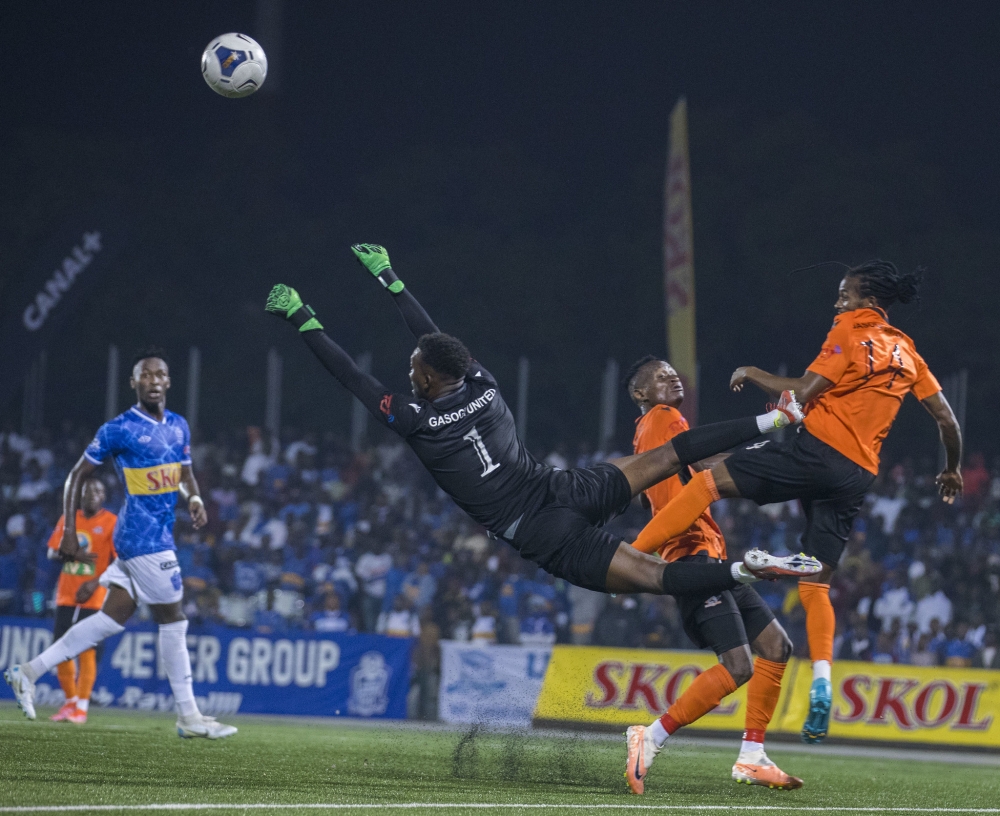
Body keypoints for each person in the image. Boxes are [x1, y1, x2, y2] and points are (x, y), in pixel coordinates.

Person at [265, 244, 821, 602]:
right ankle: (773, 418)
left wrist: (302, 318)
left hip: (541, 532)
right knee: (670, 455)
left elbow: (351, 378)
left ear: (429, 380)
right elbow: (433, 338)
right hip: (563, 486)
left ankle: (746, 572)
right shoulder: (483, 384)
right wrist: (390, 279)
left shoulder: (416, 419)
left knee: (652, 579)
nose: (408, 367)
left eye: (413, 366)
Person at [630, 260, 963, 744]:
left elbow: (804, 392)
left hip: (816, 451)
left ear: (866, 301)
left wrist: (753, 372)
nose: (838, 303)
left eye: (844, 295)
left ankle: (632, 557)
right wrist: (951, 468)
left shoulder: (849, 329)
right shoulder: (908, 350)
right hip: (857, 475)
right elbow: (948, 421)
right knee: (816, 585)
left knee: (707, 484)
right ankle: (820, 684)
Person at [4, 349, 237, 739]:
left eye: (160, 374)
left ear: (168, 381)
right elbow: (76, 476)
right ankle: (189, 716)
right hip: (142, 539)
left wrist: (194, 499)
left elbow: (185, 473)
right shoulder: (120, 428)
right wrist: (67, 530)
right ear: (134, 383)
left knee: (109, 620)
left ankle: (27, 672)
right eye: (145, 375)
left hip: (153, 536)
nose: (154, 380)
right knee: (174, 620)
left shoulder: (179, 425)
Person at [623, 356, 801, 794]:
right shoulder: (664, 417)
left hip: (707, 554)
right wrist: (772, 446)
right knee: (739, 665)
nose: (672, 378)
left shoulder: (654, 429)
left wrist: (760, 455)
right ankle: (652, 736)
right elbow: (702, 463)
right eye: (660, 376)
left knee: (776, 646)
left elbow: (699, 462)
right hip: (691, 557)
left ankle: (752, 756)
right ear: (640, 394)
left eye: (673, 373)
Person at [44, 476, 117, 724]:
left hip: (94, 596)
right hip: (66, 593)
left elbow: (118, 561)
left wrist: (96, 582)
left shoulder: (111, 522)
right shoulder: (69, 519)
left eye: (98, 490)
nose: (92, 495)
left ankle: (82, 707)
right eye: (88, 491)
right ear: (80, 495)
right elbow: (51, 551)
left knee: (86, 649)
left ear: (104, 496)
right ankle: (70, 702)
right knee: (60, 648)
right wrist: (71, 553)